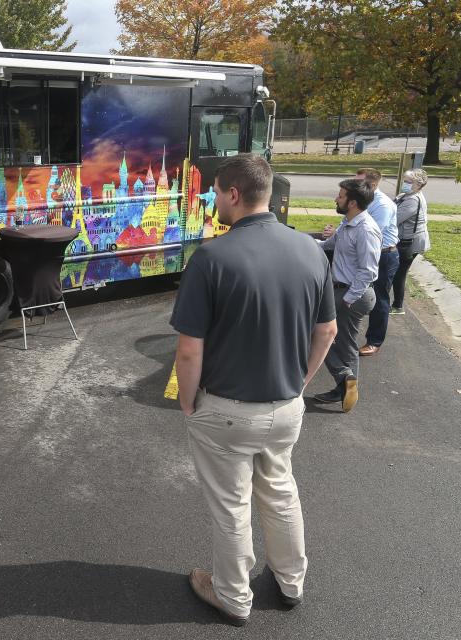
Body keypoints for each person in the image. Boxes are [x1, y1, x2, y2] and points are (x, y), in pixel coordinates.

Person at [171, 155, 338, 626]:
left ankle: (232, 596)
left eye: (216, 192)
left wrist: (187, 402)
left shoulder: (212, 258)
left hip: (225, 410)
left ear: (234, 194)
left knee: (232, 506)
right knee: (281, 492)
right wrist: (299, 383)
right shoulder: (310, 250)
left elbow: (189, 349)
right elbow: (326, 330)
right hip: (286, 406)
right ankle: (290, 581)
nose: (213, 200)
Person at [312, 179, 381, 411]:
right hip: (339, 291)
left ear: (352, 202)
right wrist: (300, 241)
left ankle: (345, 382)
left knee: (337, 340)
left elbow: (368, 271)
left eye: (340, 196)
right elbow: (326, 245)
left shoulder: (366, 229)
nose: (336, 199)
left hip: (352, 295)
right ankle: (344, 385)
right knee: (329, 338)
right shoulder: (348, 223)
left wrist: (349, 299)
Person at [350, 168, 399, 355]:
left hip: (384, 255)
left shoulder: (383, 205)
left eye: (358, 182)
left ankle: (374, 341)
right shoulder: (362, 200)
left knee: (379, 299)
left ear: (372, 185)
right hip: (366, 252)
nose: (354, 185)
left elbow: (371, 233)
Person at [391, 169, 431, 315]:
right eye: (405, 180)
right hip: (404, 239)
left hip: (410, 243)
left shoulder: (413, 200)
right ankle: (396, 304)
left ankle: (398, 306)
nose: (405, 184)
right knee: (397, 272)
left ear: (419, 185)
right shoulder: (405, 195)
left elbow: (393, 220)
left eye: (409, 182)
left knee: (399, 273)